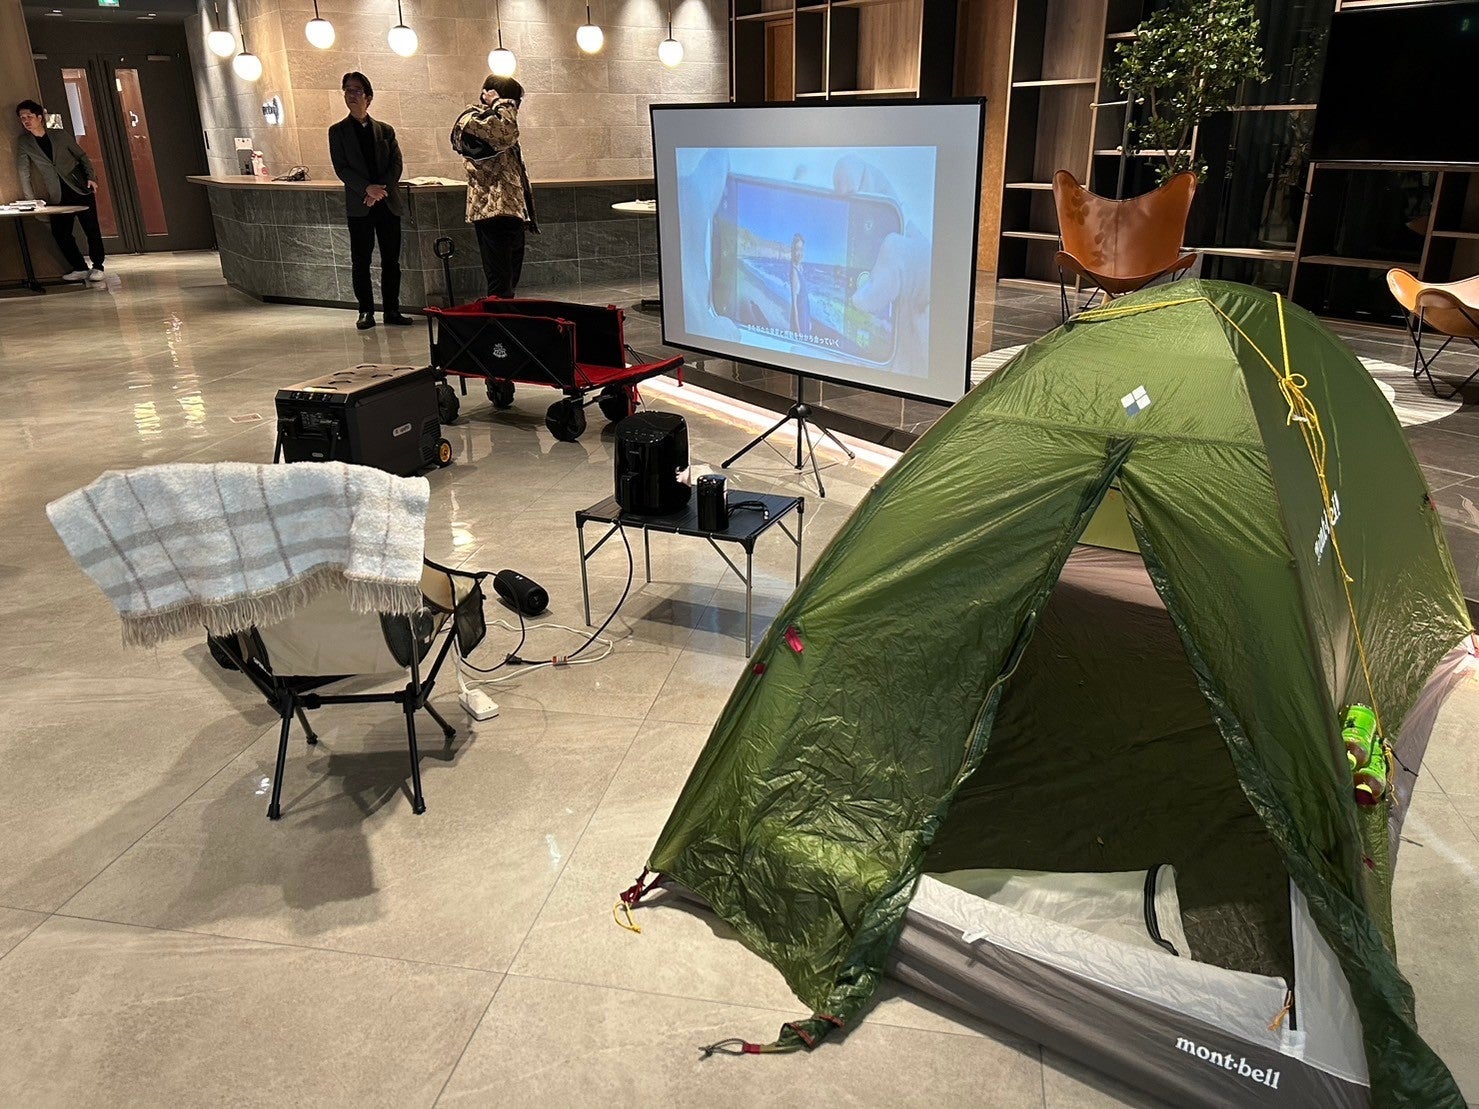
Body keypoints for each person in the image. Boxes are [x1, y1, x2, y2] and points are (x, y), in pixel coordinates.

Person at [327, 71, 410, 330]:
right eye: (347, 90)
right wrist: (367, 189)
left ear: (368, 97)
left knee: (391, 261)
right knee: (361, 261)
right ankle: (365, 311)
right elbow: (341, 168)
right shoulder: (337, 132)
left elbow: (396, 164)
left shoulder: (385, 130)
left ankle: (392, 310)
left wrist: (380, 190)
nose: (351, 95)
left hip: (387, 203)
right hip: (360, 205)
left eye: (356, 90)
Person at [458, 75, 538, 298]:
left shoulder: (490, 119)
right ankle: (500, 319)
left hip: (509, 209)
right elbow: (508, 132)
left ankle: (505, 316)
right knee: (500, 282)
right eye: (514, 102)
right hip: (492, 209)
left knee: (509, 279)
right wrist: (499, 102)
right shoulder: (473, 119)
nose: (515, 108)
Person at [14, 99, 105, 283]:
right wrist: (30, 200)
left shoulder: (59, 135)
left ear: (39, 117)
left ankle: (98, 266)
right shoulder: (24, 142)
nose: (26, 121)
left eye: (29, 116)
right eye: (22, 118)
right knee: (60, 233)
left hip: (79, 188)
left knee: (91, 229)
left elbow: (81, 156)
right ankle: (80, 267)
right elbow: (23, 171)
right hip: (57, 193)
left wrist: (91, 177)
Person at [788, 233, 811, 336]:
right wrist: (797, 329)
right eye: (797, 249)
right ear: (793, 251)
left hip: (805, 317)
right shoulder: (794, 273)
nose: (800, 253)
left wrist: (809, 320)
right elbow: (795, 305)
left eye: (801, 249)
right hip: (800, 321)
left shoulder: (800, 268)